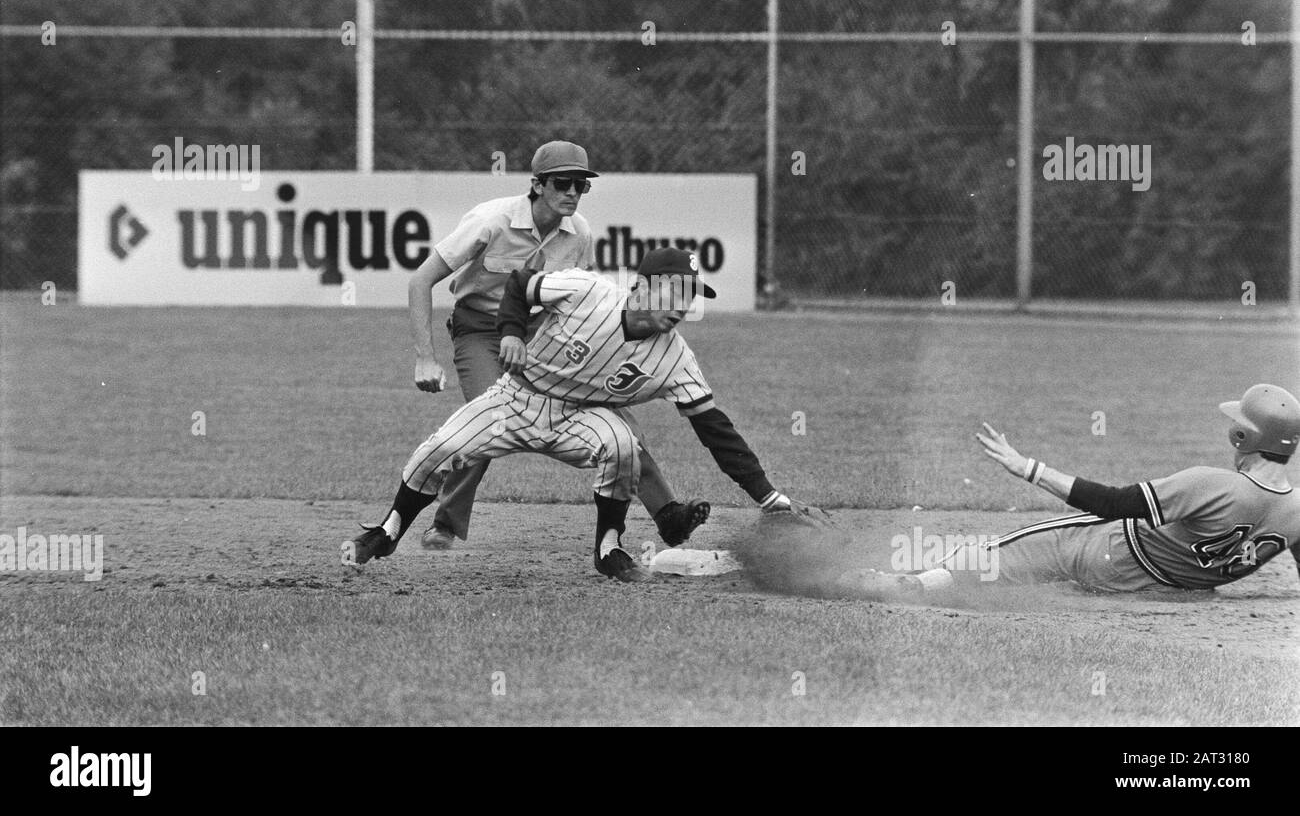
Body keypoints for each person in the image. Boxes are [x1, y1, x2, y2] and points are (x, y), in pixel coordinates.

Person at [341, 248, 831, 582]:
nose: (684, 306)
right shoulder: (587, 291)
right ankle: (388, 530)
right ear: (644, 287)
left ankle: (608, 548)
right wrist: (510, 332)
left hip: (580, 416)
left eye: (691, 297)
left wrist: (769, 497)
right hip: (516, 397)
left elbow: (716, 431)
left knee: (622, 445)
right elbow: (520, 284)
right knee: (443, 447)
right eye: (676, 291)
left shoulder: (676, 359)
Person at [406, 140, 707, 552]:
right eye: (563, 182)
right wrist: (425, 357)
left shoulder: (579, 232)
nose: (572, 192)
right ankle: (446, 522)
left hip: (544, 334)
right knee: (487, 417)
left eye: (581, 185)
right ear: (537, 184)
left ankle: (669, 514)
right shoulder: (490, 222)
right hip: (481, 330)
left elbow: (586, 298)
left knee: (618, 421)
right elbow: (421, 280)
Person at [853, 383, 1300, 594]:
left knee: (1014, 549)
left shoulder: (1213, 484)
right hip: (1173, 588)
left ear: (1243, 437)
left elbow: (1112, 504)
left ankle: (915, 584)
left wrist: (1029, 468)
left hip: (1111, 555)